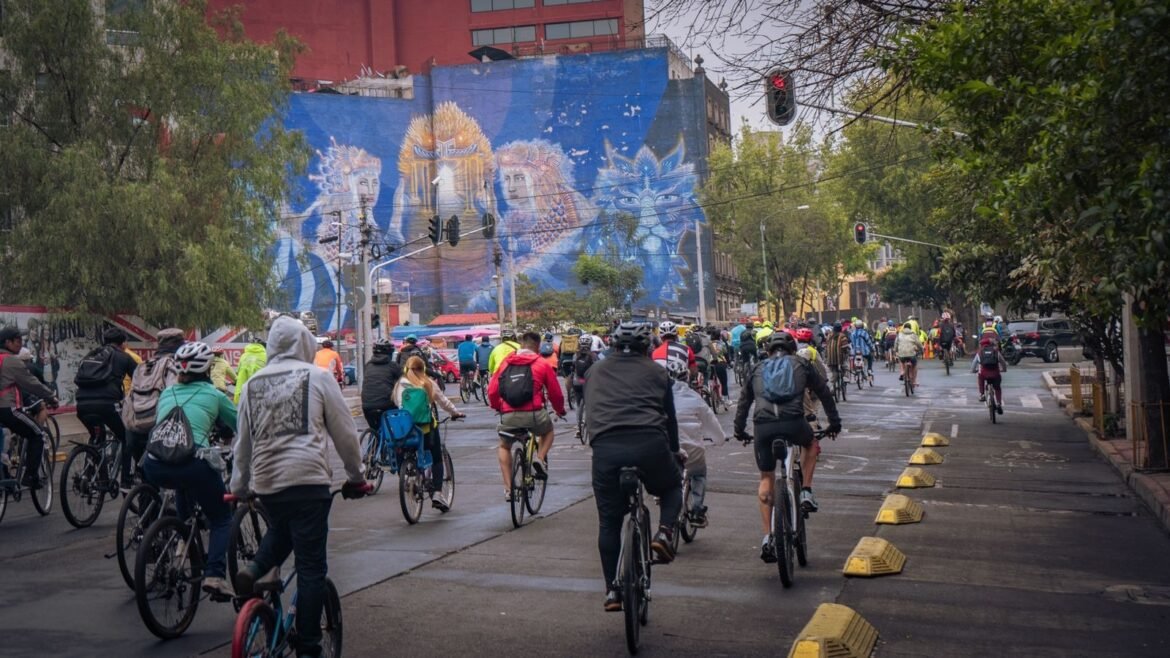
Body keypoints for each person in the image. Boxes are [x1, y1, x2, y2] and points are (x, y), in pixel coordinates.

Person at [231, 316, 368, 658]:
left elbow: (242, 445)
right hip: (308, 483)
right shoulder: (319, 377)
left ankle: (253, 570)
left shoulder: (251, 386)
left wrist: (240, 486)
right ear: (303, 344)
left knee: (282, 529)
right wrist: (356, 477)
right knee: (310, 569)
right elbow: (346, 435)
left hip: (268, 486)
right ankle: (308, 646)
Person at [583, 322, 681, 611]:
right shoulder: (657, 372)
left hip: (606, 449)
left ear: (612, 344)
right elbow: (670, 419)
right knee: (672, 485)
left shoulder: (594, 371)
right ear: (646, 346)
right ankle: (663, 533)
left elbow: (588, 409)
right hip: (649, 444)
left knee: (609, 521)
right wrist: (674, 452)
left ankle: (612, 590)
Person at [734, 332, 840, 563]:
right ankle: (806, 491)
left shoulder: (757, 368)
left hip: (763, 426)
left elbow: (744, 402)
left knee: (766, 477)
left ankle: (767, 537)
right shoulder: (801, 363)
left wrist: (739, 430)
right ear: (792, 349)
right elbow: (823, 391)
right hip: (794, 422)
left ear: (768, 350)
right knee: (811, 443)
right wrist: (834, 422)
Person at [142, 342, 237, 598]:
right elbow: (241, 424)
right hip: (193, 463)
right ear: (207, 367)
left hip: (154, 463)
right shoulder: (215, 394)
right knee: (222, 518)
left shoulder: (167, 393)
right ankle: (215, 576)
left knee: (182, 483)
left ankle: (182, 539)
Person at [488, 331, 565, 497]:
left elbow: (492, 391)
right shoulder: (542, 364)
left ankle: (509, 489)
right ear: (537, 347)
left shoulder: (505, 363)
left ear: (521, 345)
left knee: (504, 446)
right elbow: (555, 393)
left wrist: (497, 407)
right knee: (548, 431)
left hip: (508, 415)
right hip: (534, 414)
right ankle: (540, 457)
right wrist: (560, 410)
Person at [394, 355, 465, 511]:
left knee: (402, 450)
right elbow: (443, 401)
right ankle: (437, 494)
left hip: (405, 432)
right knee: (436, 457)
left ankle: (406, 477)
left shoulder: (400, 385)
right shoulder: (427, 383)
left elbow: (398, 405)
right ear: (423, 368)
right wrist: (456, 413)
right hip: (425, 431)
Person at [74, 328, 139, 488]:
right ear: (122, 343)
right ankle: (125, 480)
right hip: (108, 404)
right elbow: (140, 381)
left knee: (97, 436)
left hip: (82, 405)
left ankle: (90, 476)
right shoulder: (124, 357)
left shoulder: (90, 356)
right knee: (127, 438)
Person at [0, 326, 58, 489]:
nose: (20, 344)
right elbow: (31, 383)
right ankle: (31, 476)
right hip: (7, 409)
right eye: (17, 341)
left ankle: (6, 476)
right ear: (8, 342)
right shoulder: (10, 360)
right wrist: (51, 397)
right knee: (37, 434)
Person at [668, 361, 725, 528]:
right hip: (693, 447)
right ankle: (697, 510)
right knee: (699, 474)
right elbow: (712, 423)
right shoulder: (695, 398)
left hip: (667, 447)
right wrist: (719, 439)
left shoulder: (658, 397)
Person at [361, 339, 402, 432]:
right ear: (390, 354)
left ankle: (375, 441)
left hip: (367, 405)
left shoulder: (368, 365)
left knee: (375, 430)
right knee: (395, 428)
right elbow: (404, 380)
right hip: (386, 404)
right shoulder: (393, 366)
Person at [974, 334, 1007, 413]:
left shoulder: (980, 352)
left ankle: (982, 394)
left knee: (980, 377)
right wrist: (1004, 369)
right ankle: (998, 403)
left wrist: (973, 370)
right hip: (995, 374)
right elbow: (1003, 363)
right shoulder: (996, 351)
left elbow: (974, 364)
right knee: (997, 388)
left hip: (984, 374)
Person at [571, 338, 596, 440]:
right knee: (591, 403)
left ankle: (578, 427)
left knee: (578, 404)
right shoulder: (594, 356)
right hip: (589, 382)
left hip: (577, 382)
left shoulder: (575, 355)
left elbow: (572, 369)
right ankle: (590, 424)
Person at [234, 338, 268, 405]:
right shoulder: (266, 356)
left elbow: (237, 372)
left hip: (241, 394)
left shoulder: (243, 356)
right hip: (259, 394)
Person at [895, 322, 923, 386]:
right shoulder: (913, 334)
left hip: (902, 354)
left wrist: (896, 350)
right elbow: (919, 343)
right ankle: (914, 381)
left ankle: (903, 372)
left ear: (904, 328)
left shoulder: (899, 334)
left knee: (901, 360)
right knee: (915, 365)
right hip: (911, 354)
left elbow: (896, 344)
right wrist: (921, 349)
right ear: (910, 328)